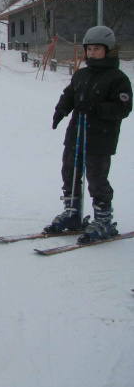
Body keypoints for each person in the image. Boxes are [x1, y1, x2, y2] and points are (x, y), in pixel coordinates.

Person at [47, 25, 131, 244]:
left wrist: (96, 108)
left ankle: (103, 220)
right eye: (89, 49)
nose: (91, 53)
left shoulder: (117, 78)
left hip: (100, 139)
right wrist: (62, 110)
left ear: (109, 50)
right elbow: (70, 94)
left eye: (96, 49)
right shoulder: (82, 74)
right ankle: (72, 213)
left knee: (96, 179)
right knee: (70, 174)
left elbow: (123, 108)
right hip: (76, 135)